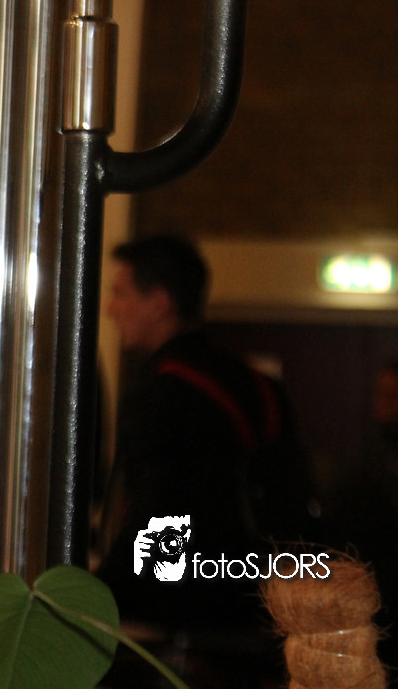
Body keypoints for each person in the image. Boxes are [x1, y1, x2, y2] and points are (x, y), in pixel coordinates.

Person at [96, 234, 318, 687]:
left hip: (187, 629)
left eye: (120, 293)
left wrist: (105, 596)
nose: (110, 308)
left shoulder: (162, 390)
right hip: (260, 614)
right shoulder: (261, 385)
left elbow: (161, 515)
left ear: (159, 302)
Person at [330, 361, 398, 684]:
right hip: (384, 574)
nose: (383, 402)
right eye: (380, 393)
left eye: (394, 395)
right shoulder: (377, 445)